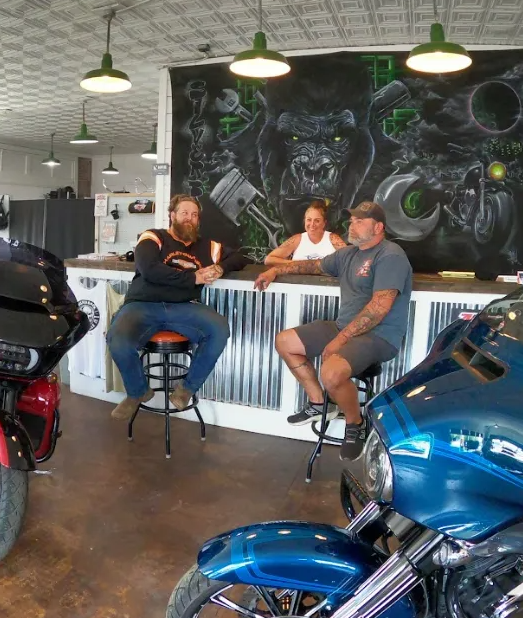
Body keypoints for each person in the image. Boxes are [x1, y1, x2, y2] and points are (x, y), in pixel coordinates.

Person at [254, 201, 412, 461]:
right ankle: (319, 403)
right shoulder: (348, 254)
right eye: (352, 220)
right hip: (344, 327)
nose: (352, 225)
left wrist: (340, 340)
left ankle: (355, 423)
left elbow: (378, 309)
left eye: (360, 221)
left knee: (331, 371)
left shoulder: (390, 255)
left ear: (378, 227)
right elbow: (310, 266)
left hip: (379, 335)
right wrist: (274, 270)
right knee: (284, 341)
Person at [106, 194, 247, 421]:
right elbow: (149, 269)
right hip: (143, 305)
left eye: (194, 215)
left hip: (184, 307)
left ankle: (186, 390)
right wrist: (193, 278)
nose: (189, 218)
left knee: (220, 328)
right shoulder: (153, 237)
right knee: (117, 338)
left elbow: (242, 256)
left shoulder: (209, 247)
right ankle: (138, 391)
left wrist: (221, 268)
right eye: (184, 213)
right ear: (172, 215)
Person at [264, 200, 347, 265]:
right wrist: (296, 264)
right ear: (305, 221)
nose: (312, 224)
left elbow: (350, 259)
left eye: (317, 220)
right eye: (309, 220)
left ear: (324, 223)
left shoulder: (333, 239)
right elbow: (269, 259)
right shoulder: (297, 239)